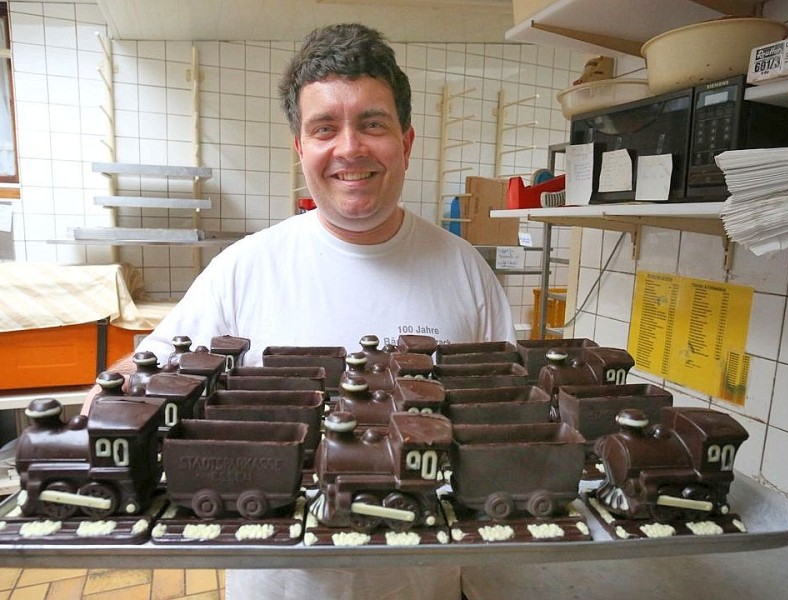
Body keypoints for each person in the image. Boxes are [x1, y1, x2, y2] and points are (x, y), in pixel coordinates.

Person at [83, 22, 516, 600]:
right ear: (301, 149)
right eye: (324, 129)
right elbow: (132, 383)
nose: (349, 148)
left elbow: (505, 412)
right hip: (281, 586)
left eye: (372, 123)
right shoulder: (244, 268)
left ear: (406, 142)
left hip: (422, 583)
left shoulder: (467, 271)